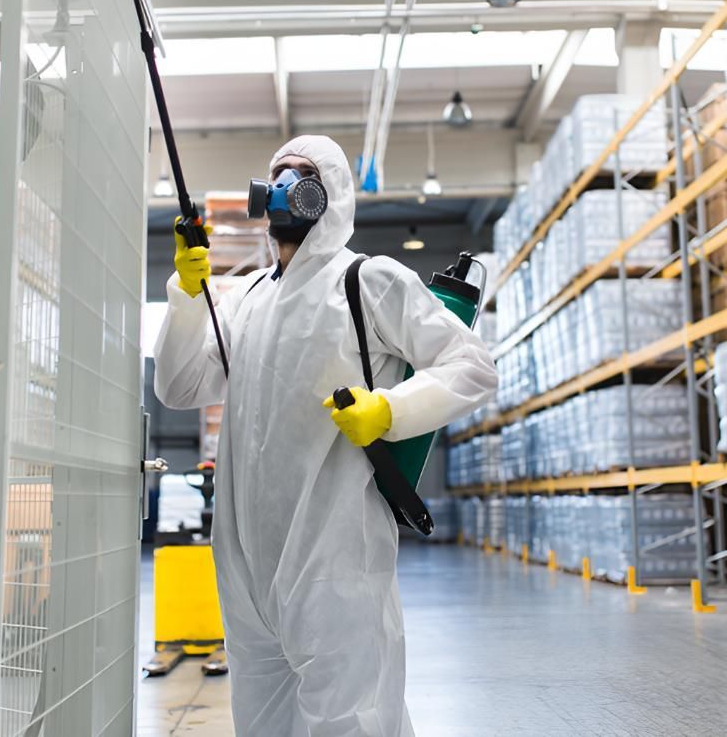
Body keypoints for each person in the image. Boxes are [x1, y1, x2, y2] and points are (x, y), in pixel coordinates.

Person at [154, 135, 497, 736]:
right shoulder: (249, 300)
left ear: (330, 195)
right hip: (245, 573)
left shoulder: (368, 282)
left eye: (302, 175)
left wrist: (389, 410)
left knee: (352, 723)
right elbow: (179, 387)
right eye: (278, 175)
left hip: (335, 565)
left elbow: (471, 366)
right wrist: (186, 296)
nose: (286, 186)